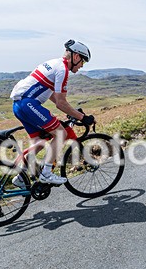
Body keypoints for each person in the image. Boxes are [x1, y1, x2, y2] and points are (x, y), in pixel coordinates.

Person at [9, 39, 94, 185]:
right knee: (61, 133)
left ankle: (20, 177)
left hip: (18, 105)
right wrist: (82, 117)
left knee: (40, 143)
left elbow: (53, 96)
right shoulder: (63, 70)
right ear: (76, 57)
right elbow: (61, 103)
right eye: (83, 62)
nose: (81, 66)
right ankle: (46, 173)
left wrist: (71, 112)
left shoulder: (53, 63)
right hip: (28, 104)